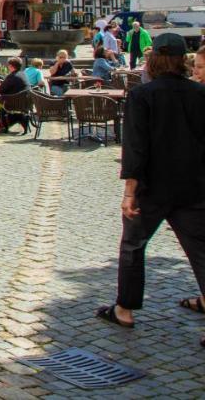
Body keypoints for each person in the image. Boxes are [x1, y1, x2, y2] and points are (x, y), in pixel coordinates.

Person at [96, 33, 205, 341]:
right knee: (201, 252)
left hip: (151, 188)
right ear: (183, 61)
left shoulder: (142, 96)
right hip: (193, 186)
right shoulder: (201, 94)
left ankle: (125, 310)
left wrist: (129, 192)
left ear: (154, 59)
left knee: (133, 246)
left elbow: (136, 148)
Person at [0, 56, 30, 134]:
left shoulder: (12, 76)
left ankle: (2, 124)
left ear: (11, 66)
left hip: (13, 103)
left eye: (8, 65)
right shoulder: (23, 74)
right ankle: (7, 122)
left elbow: (0, 89)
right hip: (25, 102)